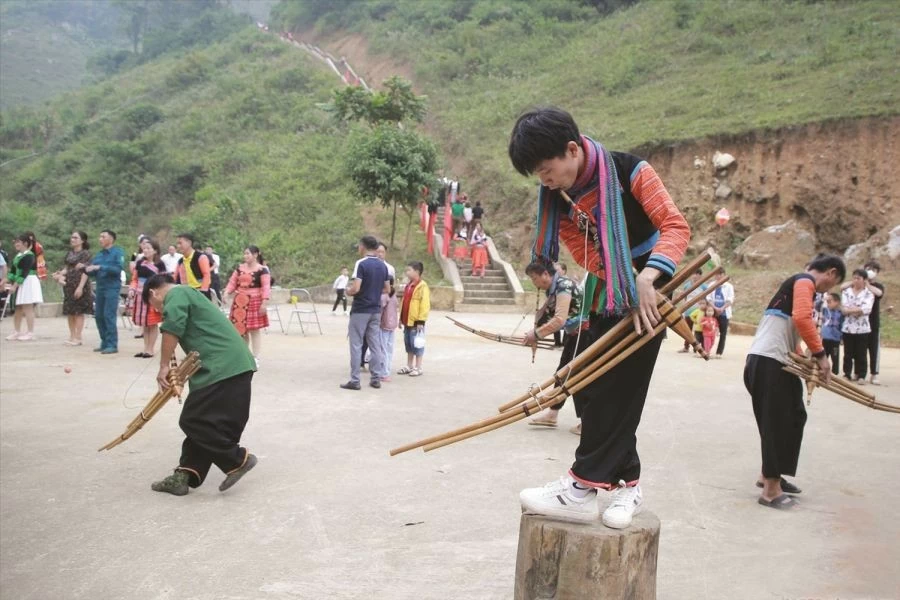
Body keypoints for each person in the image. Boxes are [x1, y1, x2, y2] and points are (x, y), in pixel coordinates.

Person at [509, 107, 690, 527]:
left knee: (619, 386)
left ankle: (581, 486)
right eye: (537, 175)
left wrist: (648, 276)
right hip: (615, 290)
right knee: (591, 383)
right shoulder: (559, 197)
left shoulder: (630, 171)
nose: (545, 181)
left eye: (547, 169)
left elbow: (675, 226)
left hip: (653, 287)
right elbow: (582, 250)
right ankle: (629, 487)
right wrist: (624, 278)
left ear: (572, 150)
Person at [142, 274, 258, 496]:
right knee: (208, 422)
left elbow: (172, 326)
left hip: (222, 366)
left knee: (193, 420)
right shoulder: (188, 294)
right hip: (232, 365)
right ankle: (184, 474)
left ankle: (237, 460)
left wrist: (164, 366)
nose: (158, 310)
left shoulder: (176, 294)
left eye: (154, 306)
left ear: (153, 293)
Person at [744, 254, 845, 510]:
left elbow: (792, 327)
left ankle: (770, 474)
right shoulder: (804, 281)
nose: (827, 290)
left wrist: (805, 361)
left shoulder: (798, 286)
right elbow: (802, 318)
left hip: (776, 362)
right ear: (831, 273)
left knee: (795, 415)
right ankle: (770, 491)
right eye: (832, 284)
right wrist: (822, 357)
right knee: (776, 422)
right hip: (769, 362)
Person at [523, 261, 586, 433]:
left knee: (578, 378)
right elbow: (545, 315)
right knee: (562, 375)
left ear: (545, 274)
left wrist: (535, 335)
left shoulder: (563, 286)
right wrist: (535, 333)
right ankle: (552, 413)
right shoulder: (554, 288)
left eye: (535, 278)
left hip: (584, 335)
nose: (534, 283)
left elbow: (559, 319)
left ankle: (588, 422)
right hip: (574, 335)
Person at [342, 236, 389, 391]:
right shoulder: (383, 266)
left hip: (361, 309)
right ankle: (376, 377)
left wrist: (348, 292)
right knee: (375, 344)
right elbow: (387, 289)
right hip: (375, 309)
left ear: (363, 246)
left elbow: (356, 287)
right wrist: (373, 291)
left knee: (356, 344)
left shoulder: (361, 264)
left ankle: (355, 380)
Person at [224, 246, 271, 368]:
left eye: (248, 254)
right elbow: (232, 282)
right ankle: (244, 355)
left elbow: (266, 287)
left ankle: (255, 357)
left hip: (254, 301)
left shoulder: (262, 270)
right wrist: (226, 292)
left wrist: (264, 302)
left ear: (255, 255)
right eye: (244, 254)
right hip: (239, 302)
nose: (245, 256)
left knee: (254, 330)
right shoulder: (239, 269)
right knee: (241, 330)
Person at [79, 230, 124, 354]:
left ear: (111, 239)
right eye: (100, 236)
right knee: (99, 315)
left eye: (103, 236)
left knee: (109, 315)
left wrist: (100, 267)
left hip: (112, 287)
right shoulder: (99, 255)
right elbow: (92, 272)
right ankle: (104, 341)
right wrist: (84, 268)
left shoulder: (117, 252)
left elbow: (117, 269)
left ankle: (112, 344)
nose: (100, 239)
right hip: (100, 287)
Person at [841, 261, 885, 385]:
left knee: (868, 350)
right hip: (849, 326)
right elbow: (844, 306)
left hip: (869, 324)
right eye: (868, 269)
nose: (856, 280)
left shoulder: (874, 288)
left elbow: (869, 306)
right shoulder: (848, 290)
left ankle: (871, 374)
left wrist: (866, 284)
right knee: (850, 351)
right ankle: (850, 373)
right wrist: (854, 310)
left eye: (874, 269)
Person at [54, 231, 93, 346]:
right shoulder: (69, 253)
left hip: (80, 284)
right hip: (68, 285)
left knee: (78, 311)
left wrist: (80, 287)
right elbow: (67, 268)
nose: (73, 240)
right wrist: (59, 274)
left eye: (76, 238)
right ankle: (71, 335)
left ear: (82, 240)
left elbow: (86, 271)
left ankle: (78, 336)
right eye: (72, 237)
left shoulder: (86, 254)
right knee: (70, 311)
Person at [129, 238, 166, 358]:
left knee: (152, 323)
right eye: (144, 248)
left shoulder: (160, 265)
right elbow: (135, 279)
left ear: (155, 250)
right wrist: (132, 289)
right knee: (144, 323)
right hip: (140, 296)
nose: (145, 250)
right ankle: (146, 348)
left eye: (149, 248)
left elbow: (164, 282)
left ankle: (151, 349)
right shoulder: (139, 263)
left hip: (153, 297)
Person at [4, 234, 43, 341]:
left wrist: (15, 286)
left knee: (28, 307)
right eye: (15, 242)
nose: (16, 244)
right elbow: (12, 272)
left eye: (18, 242)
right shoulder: (18, 256)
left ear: (25, 243)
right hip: (21, 282)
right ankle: (17, 331)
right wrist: (4, 281)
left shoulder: (29, 256)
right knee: (18, 308)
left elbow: (24, 273)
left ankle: (30, 332)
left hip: (28, 281)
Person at [398, 261, 430, 377]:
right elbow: (404, 302)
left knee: (417, 344)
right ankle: (409, 365)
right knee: (409, 344)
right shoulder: (409, 285)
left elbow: (425, 304)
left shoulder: (422, 286)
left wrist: (421, 320)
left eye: (409, 270)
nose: (407, 272)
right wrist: (400, 318)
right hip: (407, 320)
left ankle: (418, 367)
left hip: (416, 322)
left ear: (416, 272)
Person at [174, 233, 212, 299]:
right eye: (177, 244)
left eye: (180, 243)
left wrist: (203, 292)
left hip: (200, 293)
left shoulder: (201, 257)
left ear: (189, 243)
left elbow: (206, 275)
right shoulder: (180, 261)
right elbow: (175, 277)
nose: (178, 246)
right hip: (186, 294)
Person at [678, 269, 706, 353]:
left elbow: (706, 298)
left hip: (699, 312)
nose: (694, 276)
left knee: (698, 331)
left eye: (696, 274)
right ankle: (686, 347)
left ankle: (697, 347)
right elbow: (684, 297)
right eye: (693, 274)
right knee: (687, 330)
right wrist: (683, 308)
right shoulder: (687, 285)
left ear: (700, 275)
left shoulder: (703, 286)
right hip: (688, 311)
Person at [705, 279, 734, 358]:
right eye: (717, 275)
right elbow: (708, 297)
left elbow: (730, 300)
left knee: (723, 333)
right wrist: (714, 308)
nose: (718, 277)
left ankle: (719, 352)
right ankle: (706, 350)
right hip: (712, 312)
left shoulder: (729, 286)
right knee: (707, 330)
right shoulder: (711, 284)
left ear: (723, 275)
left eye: (720, 275)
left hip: (724, 313)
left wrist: (722, 308)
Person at [378, 278, 399, 382]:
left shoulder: (384, 296)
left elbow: (379, 312)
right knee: (389, 350)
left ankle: (384, 373)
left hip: (384, 325)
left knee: (383, 350)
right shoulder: (394, 295)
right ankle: (387, 371)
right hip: (392, 325)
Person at [819, 292, 843, 375]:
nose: (828, 303)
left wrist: (842, 337)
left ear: (837, 302)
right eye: (827, 302)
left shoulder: (840, 313)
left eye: (830, 301)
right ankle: (821, 370)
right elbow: (817, 305)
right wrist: (824, 300)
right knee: (823, 355)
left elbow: (842, 325)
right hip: (825, 338)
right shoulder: (825, 310)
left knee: (835, 357)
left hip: (835, 339)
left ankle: (834, 373)